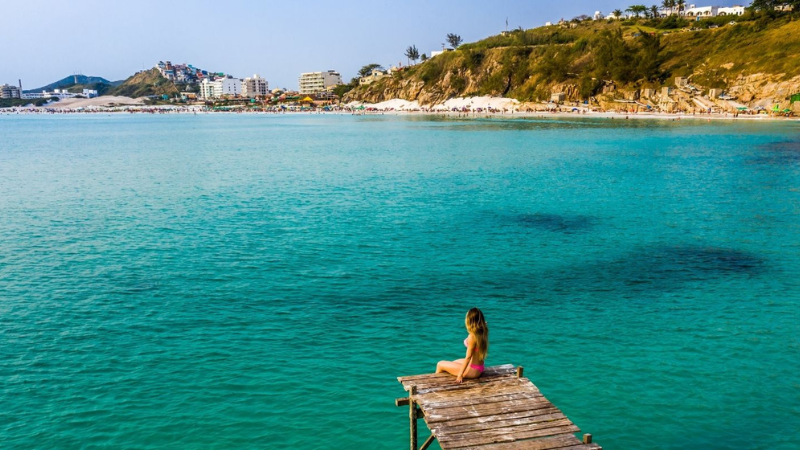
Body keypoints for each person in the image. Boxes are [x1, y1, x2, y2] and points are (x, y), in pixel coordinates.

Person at [436, 308, 489, 383]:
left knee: (440, 364)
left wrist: (460, 375)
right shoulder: (483, 330)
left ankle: (436, 382)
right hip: (480, 367)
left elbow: (468, 357)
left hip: (472, 371)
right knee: (453, 362)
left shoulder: (472, 336)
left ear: (469, 320)